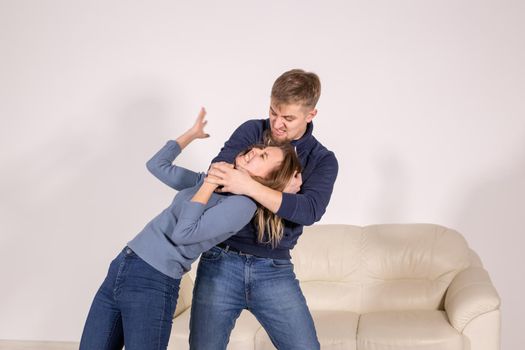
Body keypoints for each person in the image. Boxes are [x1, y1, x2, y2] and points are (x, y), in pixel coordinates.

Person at [79, 108, 302, 350]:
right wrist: (192, 135)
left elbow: (183, 234)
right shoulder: (209, 183)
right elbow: (157, 165)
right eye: (259, 148)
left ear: (271, 177)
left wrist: (209, 182)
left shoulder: (241, 206)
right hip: (124, 264)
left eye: (263, 156)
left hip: (154, 280)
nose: (254, 151)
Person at [189, 69, 339, 349]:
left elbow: (308, 211)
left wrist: (246, 184)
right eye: (273, 112)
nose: (277, 123)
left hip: (274, 269)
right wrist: (281, 194)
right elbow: (218, 176)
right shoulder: (251, 131)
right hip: (220, 260)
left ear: (311, 115)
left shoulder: (323, 160)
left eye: (288, 118)